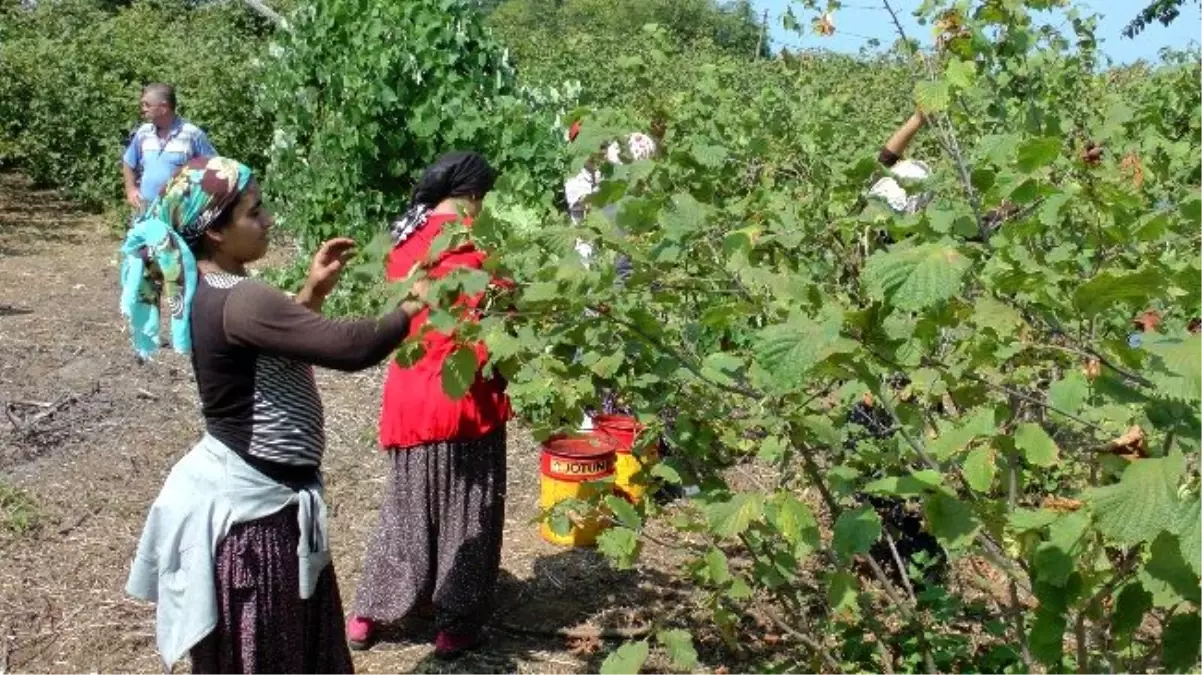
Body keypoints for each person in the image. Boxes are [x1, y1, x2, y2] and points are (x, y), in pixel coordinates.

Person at [121, 156, 426, 674]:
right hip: (257, 519)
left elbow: (273, 347)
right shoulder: (242, 299)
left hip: (257, 493)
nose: (267, 221)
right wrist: (412, 305)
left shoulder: (210, 292)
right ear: (215, 231)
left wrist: (312, 293)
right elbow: (351, 349)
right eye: (253, 212)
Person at [347, 151, 511, 659]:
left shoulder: (405, 241)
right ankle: (454, 626)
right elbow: (507, 319)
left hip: (411, 396)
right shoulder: (481, 248)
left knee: (406, 511)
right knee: (469, 516)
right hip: (467, 399)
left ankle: (368, 614)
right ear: (475, 196)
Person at [121, 83, 217, 221]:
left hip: (178, 213)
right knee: (141, 243)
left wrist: (201, 203)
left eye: (147, 105)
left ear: (163, 107)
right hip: (144, 210)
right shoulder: (144, 132)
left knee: (174, 244)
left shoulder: (191, 134)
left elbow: (215, 168)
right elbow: (128, 161)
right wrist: (131, 190)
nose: (143, 109)